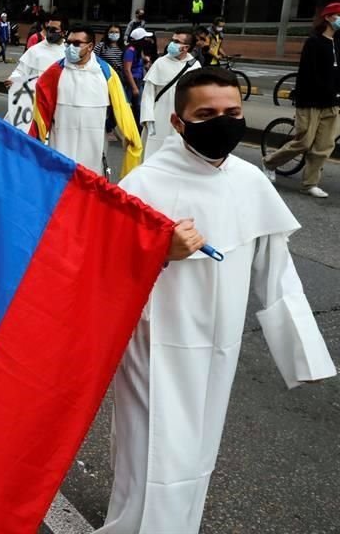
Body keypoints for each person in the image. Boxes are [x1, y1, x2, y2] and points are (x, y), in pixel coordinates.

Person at [100, 68, 336, 534]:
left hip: (220, 344)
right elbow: (100, 268)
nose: (222, 122)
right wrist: (156, 251)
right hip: (155, 344)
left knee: (197, 452)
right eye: (206, 114)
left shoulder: (250, 181)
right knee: (153, 452)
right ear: (178, 122)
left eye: (232, 113)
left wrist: (302, 356)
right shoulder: (142, 188)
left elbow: (277, 272)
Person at [29, 24, 142, 177]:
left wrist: (132, 146)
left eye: (76, 44)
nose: (70, 47)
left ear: (90, 46)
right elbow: (39, 119)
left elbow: (123, 112)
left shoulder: (107, 74)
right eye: (68, 43)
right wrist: (31, 156)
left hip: (94, 157)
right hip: (60, 152)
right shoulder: (53, 73)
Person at [262, 2, 340, 198]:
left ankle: (309, 184)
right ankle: (269, 162)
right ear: (329, 17)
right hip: (311, 101)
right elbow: (308, 74)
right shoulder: (314, 42)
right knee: (304, 142)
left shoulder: (337, 42)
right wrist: (324, 91)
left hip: (332, 104)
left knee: (324, 146)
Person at [139, 28, 201, 160]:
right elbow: (148, 93)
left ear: (186, 48)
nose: (172, 44)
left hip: (181, 120)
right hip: (158, 117)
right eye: (172, 40)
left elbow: (197, 97)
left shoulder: (195, 66)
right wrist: (147, 118)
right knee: (153, 154)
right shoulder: (160, 62)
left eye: (176, 41)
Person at [3, 15, 66, 129]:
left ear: (63, 32)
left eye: (53, 30)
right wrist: (12, 80)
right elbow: (20, 71)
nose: (49, 32)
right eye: (48, 29)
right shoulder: (35, 50)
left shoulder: (67, 53)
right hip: (32, 105)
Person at [123, 27, 153, 127]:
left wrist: (145, 60)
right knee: (129, 105)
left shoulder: (138, 49)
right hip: (132, 82)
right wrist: (134, 88)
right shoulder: (130, 51)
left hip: (139, 79)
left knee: (139, 105)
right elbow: (127, 70)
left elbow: (141, 59)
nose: (146, 40)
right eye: (144, 38)